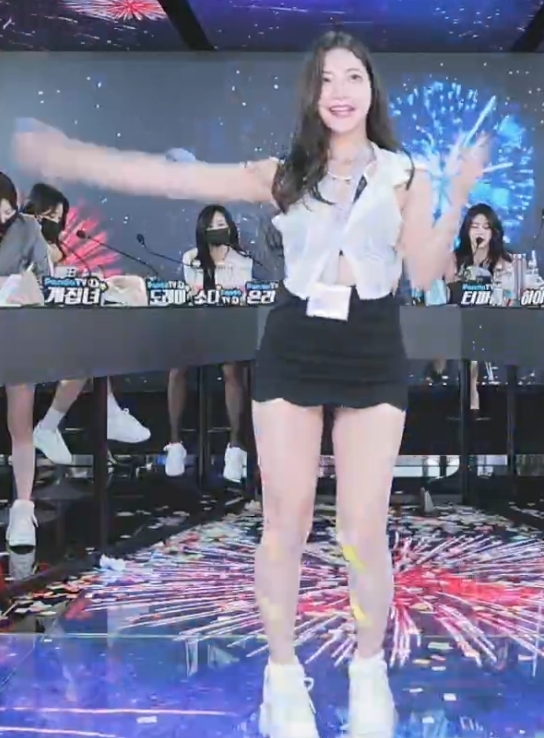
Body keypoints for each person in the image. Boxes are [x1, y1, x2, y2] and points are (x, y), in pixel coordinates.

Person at [12, 30, 486, 736]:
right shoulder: (284, 174)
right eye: (326, 79)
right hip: (295, 344)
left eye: (352, 77)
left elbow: (421, 269)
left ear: (370, 89)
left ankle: (368, 672)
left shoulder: (404, 174)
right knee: (285, 523)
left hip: (372, 346)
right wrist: (70, 158)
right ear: (311, 94)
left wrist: (459, 196)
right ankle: (282, 676)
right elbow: (177, 179)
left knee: (362, 530)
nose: (340, 91)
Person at [22, 183, 150, 466]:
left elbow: (53, 287)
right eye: (49, 216)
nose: (54, 223)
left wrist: (100, 285)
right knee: (84, 356)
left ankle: (109, 413)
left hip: (50, 327)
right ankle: (48, 428)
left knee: (94, 345)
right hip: (21, 330)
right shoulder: (21, 241)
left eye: (59, 218)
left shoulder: (52, 249)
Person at [165, 205, 250, 482]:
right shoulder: (191, 258)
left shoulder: (242, 260)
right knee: (177, 367)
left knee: (231, 369)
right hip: (197, 327)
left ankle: (235, 446)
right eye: (211, 225)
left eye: (221, 224)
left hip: (229, 328)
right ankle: (175, 443)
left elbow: (240, 297)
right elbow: (193, 295)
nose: (217, 229)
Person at [0, 172, 50, 548]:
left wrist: (29, 290)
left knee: (21, 423)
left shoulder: (28, 228)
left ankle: (23, 509)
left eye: (7, 212)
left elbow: (45, 279)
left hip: (17, 333)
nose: (3, 219)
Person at [446, 203, 511, 409]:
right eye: (474, 227)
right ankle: (467, 401)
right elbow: (447, 292)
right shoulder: (455, 259)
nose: (480, 232)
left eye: (485, 227)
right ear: (467, 231)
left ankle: (474, 402)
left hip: (495, 321)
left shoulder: (503, 260)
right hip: (460, 322)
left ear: (493, 231)